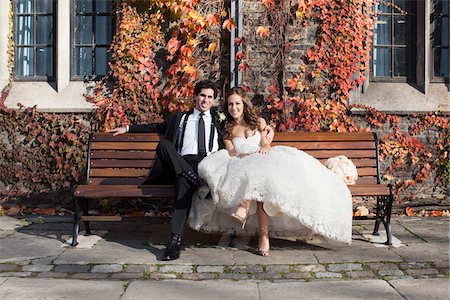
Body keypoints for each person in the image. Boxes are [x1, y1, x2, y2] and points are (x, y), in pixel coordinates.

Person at [108, 80, 274, 260]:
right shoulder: (180, 118)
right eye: (202, 95)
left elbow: (246, 130)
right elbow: (156, 127)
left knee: (183, 182)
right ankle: (177, 231)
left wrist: (267, 129)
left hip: (208, 165)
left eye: (210, 97)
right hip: (183, 163)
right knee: (165, 148)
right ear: (195, 96)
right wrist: (127, 128)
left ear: (213, 101)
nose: (205, 100)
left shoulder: (220, 122)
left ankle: (176, 238)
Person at [189, 87, 353, 256]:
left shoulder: (259, 122)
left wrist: (265, 147)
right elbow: (231, 151)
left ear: (244, 104)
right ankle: (263, 235)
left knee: (262, 177)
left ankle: (247, 209)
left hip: (262, 158)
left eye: (237, 103)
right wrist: (241, 154)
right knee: (257, 179)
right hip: (240, 162)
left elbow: (266, 144)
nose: (234, 108)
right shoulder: (228, 128)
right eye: (230, 104)